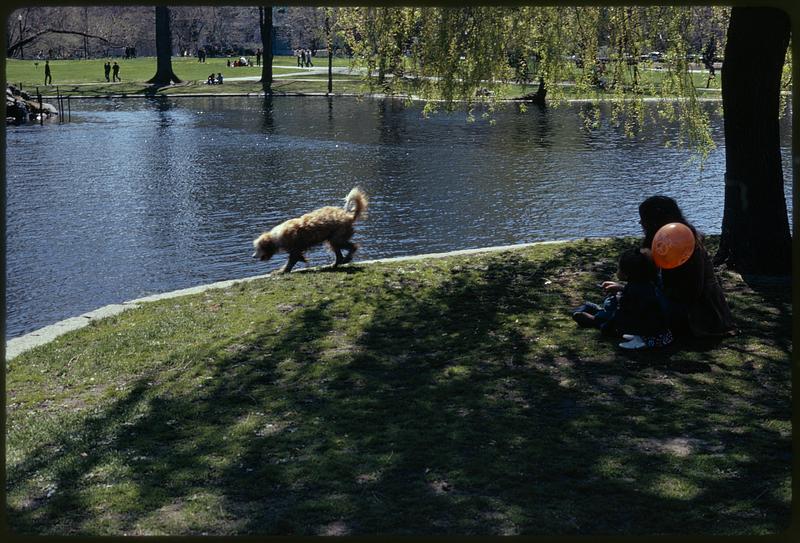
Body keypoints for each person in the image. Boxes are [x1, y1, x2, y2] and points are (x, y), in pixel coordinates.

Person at [603, 195, 735, 339]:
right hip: (679, 304)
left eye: (644, 218)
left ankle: (610, 324)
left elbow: (690, 294)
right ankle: (608, 317)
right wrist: (626, 289)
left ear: (655, 220)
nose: (640, 222)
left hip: (700, 314)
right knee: (625, 299)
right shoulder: (662, 242)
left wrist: (639, 294)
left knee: (635, 304)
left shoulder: (684, 245)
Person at [573, 248, 673, 350]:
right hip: (664, 334)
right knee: (614, 303)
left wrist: (605, 328)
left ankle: (595, 318)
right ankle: (597, 313)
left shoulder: (632, 290)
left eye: (619, 268)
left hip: (651, 337)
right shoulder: (651, 284)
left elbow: (619, 315)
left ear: (626, 274)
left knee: (607, 314)